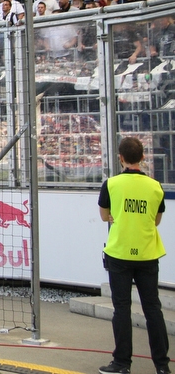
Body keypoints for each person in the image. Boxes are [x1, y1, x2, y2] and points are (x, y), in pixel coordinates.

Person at [97, 137, 169, 374]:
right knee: (152, 309)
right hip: (147, 253)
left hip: (119, 252)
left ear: (121, 158)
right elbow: (156, 220)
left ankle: (122, 363)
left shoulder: (111, 184)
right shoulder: (155, 186)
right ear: (143, 157)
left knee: (122, 308)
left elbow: (104, 215)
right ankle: (162, 365)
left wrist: (116, 216)